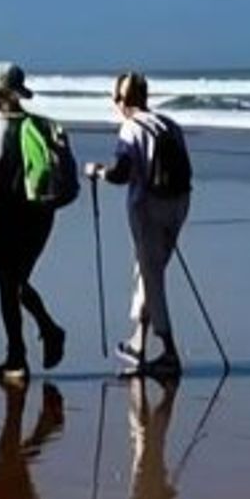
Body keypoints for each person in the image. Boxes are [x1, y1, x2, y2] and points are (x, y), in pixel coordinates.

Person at [86, 72, 192, 375]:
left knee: (150, 277)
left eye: (118, 98)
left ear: (122, 100)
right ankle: (139, 344)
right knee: (148, 272)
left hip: (149, 207)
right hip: (179, 203)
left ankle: (169, 351)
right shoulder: (170, 124)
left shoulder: (131, 128)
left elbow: (121, 173)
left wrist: (98, 172)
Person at [0, 62, 68, 382]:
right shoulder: (39, 125)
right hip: (41, 214)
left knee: (8, 286)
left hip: (11, 216)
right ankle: (44, 333)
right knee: (14, 282)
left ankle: (18, 357)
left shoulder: (0, 128)